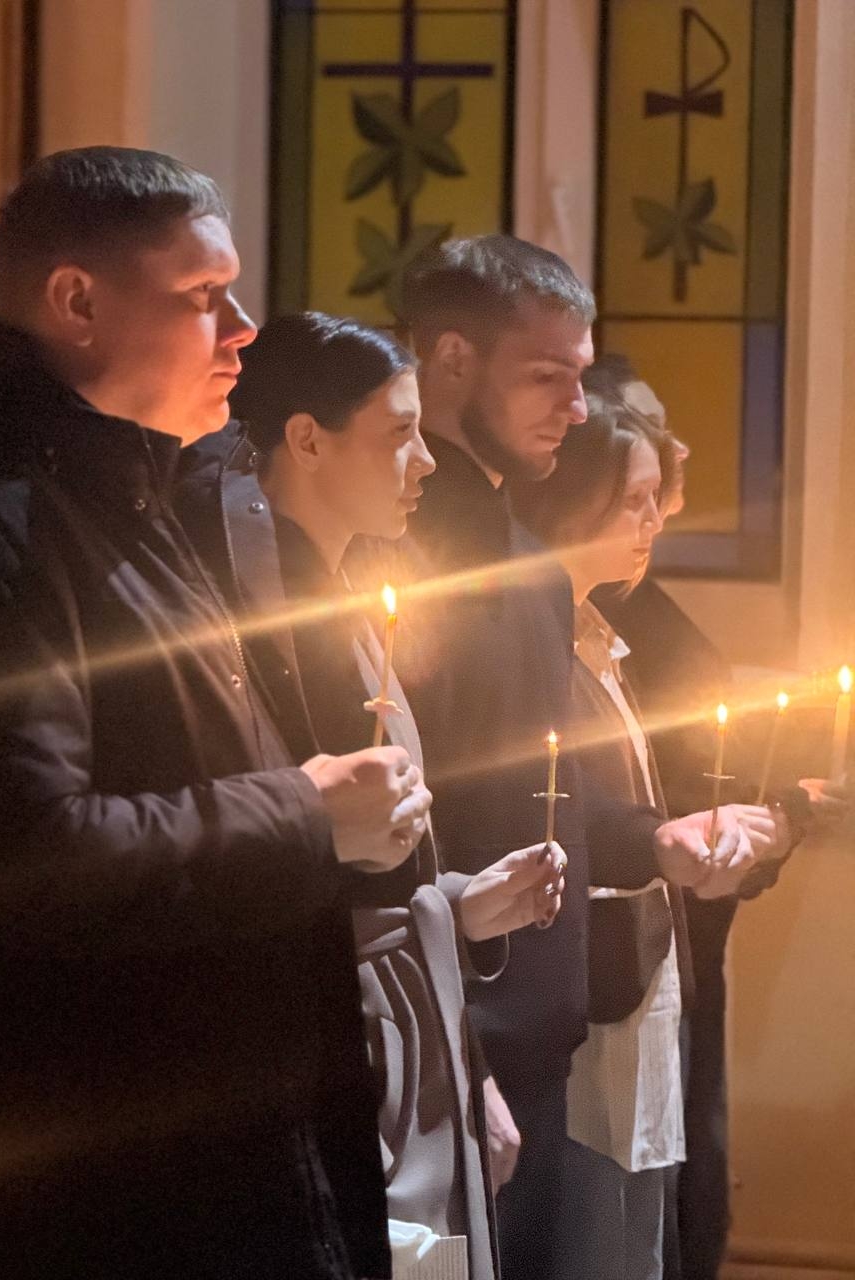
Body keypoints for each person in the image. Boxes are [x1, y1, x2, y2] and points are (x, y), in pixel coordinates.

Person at [0, 148, 433, 1280]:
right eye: (202, 296)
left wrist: (341, 826)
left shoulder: (137, 489)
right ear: (77, 301)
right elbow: (27, 852)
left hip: (218, 1119)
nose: (242, 329)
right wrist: (305, 811)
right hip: (105, 1165)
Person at [398, 234, 767, 1279]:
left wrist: (659, 837)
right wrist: (464, 1052)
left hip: (539, 1031)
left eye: (580, 374)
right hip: (459, 1028)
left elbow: (538, 787)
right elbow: (426, 818)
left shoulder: (524, 562)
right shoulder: (410, 554)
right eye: (547, 376)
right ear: (452, 360)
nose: (575, 405)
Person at [177, 310, 568, 1280]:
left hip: (405, 1005)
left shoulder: (347, 592)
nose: (426, 461)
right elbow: (312, 857)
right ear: (307, 439)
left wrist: (462, 901)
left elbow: (379, 857)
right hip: (344, 1025)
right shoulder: (265, 621)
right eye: (399, 433)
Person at [510, 397, 790, 1280]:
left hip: (643, 988)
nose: (653, 520)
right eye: (633, 500)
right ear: (574, 500)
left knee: (641, 1239)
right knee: (591, 1241)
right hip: (588, 997)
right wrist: (663, 839)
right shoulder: (535, 642)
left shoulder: (601, 633)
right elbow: (564, 805)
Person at [584, 354, 849, 1280]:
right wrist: (773, 812)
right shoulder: (593, 612)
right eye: (655, 431)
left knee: (686, 1174)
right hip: (638, 945)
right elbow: (658, 785)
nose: (684, 450)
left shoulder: (633, 597)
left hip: (686, 930)